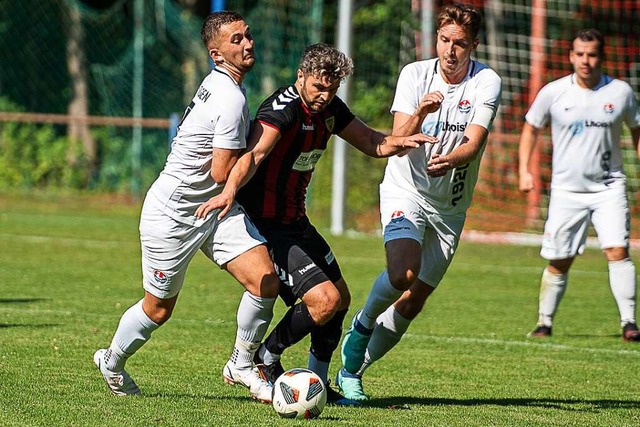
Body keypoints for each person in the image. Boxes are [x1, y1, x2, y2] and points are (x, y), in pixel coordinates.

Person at [195, 43, 432, 405]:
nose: (325, 96)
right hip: (266, 224)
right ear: (301, 76)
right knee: (325, 301)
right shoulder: (282, 109)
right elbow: (255, 154)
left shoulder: (331, 110)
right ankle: (264, 358)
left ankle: (317, 382)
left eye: (332, 89)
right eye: (319, 87)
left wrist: (406, 134)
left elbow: (371, 141)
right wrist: (229, 190)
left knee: (339, 303)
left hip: (296, 221)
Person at [93, 11, 280, 403]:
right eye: (236, 40)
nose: (247, 44)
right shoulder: (228, 96)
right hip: (173, 216)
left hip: (212, 208)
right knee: (159, 309)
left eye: (248, 36)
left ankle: (241, 364)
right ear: (216, 54)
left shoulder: (224, 86)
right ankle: (112, 361)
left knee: (265, 280)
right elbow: (220, 170)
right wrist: (260, 148)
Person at [336, 3, 502, 400]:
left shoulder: (487, 82)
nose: (450, 50)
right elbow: (395, 140)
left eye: (460, 44)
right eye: (445, 40)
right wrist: (422, 111)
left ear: (473, 45)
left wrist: (452, 159)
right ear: (437, 39)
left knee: (414, 300)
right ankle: (361, 327)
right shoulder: (414, 74)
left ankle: (352, 371)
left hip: (450, 209)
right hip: (405, 190)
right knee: (402, 274)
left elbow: (474, 143)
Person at [518, 28, 640, 341]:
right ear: (571, 56)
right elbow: (531, 128)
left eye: (592, 54)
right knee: (559, 260)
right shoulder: (554, 92)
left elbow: (636, 130)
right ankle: (544, 323)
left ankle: (629, 323)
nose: (586, 61)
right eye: (580, 54)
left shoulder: (621, 93)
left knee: (617, 250)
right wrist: (524, 170)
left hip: (609, 188)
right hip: (566, 192)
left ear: (602, 56)